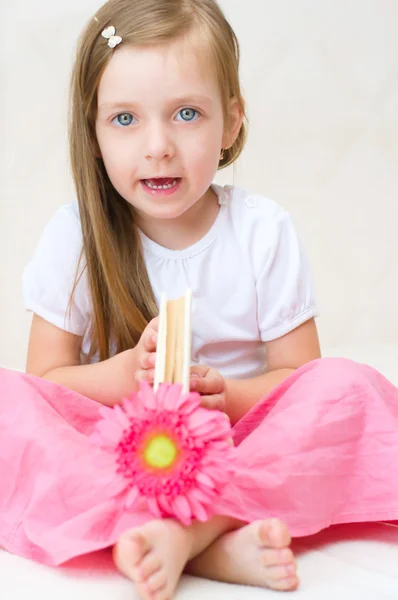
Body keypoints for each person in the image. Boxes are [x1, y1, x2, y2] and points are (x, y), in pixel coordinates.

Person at [3, 1, 398, 599]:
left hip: (236, 448)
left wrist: (229, 396)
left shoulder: (263, 231)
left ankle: (189, 532)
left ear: (232, 122)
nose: (158, 145)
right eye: (125, 119)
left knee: (348, 385)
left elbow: (300, 378)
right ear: (93, 130)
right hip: (119, 454)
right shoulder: (74, 236)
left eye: (186, 113)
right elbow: (45, 383)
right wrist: (120, 379)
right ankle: (202, 542)